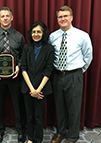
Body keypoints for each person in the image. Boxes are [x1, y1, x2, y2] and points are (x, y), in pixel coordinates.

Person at [49, 6, 93, 143]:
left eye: (65, 16)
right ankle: (60, 132)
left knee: (74, 107)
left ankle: (72, 136)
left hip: (74, 76)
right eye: (60, 17)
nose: (63, 19)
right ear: (57, 19)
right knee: (59, 106)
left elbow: (88, 56)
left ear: (71, 17)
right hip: (57, 76)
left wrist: (78, 72)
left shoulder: (82, 35)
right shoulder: (53, 36)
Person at [0, 7, 26, 143]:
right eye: (2, 16)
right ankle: (0, 131)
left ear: (12, 18)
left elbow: (23, 56)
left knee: (18, 104)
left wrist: (19, 67)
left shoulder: (19, 36)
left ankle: (21, 131)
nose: (5, 18)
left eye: (7, 16)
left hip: (15, 77)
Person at [20, 21, 54, 143]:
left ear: (43, 33)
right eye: (34, 32)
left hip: (42, 88)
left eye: (38, 32)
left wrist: (38, 90)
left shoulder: (49, 49)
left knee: (38, 117)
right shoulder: (27, 47)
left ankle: (38, 139)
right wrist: (31, 89)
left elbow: (48, 71)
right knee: (29, 116)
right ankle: (30, 138)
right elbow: (23, 68)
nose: (36, 34)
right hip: (27, 88)